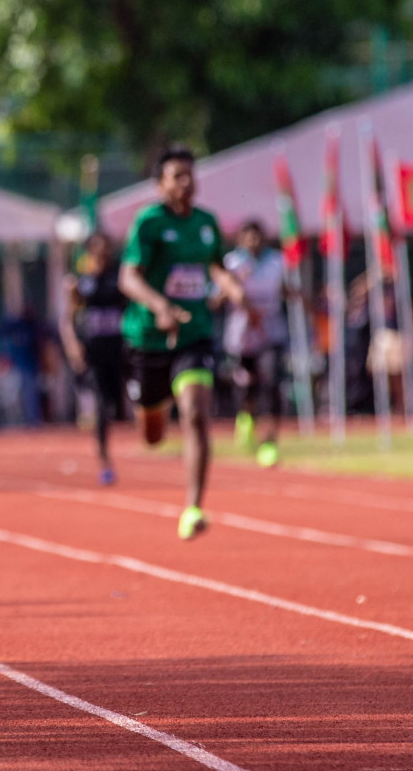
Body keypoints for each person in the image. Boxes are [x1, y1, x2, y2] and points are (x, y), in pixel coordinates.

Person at [118, 145, 244, 540]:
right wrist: (160, 306)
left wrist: (232, 288)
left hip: (194, 335)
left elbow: (217, 267)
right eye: (178, 176)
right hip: (149, 338)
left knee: (195, 412)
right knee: (153, 433)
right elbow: (128, 277)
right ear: (160, 185)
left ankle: (193, 506)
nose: (187, 183)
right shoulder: (149, 222)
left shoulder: (206, 223)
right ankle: (152, 408)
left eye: (191, 174)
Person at [58, 230, 127, 485]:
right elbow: (68, 318)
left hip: (119, 350)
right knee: (100, 405)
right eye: (97, 249)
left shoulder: (120, 278)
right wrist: (72, 345)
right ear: (89, 252)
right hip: (93, 353)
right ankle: (104, 457)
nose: (103, 254)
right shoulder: (80, 283)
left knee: (118, 405)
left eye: (106, 248)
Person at [222, 220, 288, 468]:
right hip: (242, 336)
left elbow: (285, 290)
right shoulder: (232, 263)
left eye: (258, 236)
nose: (254, 242)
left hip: (270, 332)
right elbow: (217, 294)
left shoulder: (276, 262)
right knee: (246, 384)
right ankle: (245, 416)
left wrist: (306, 302)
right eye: (248, 237)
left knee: (270, 382)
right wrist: (233, 289)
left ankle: (269, 443)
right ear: (240, 240)